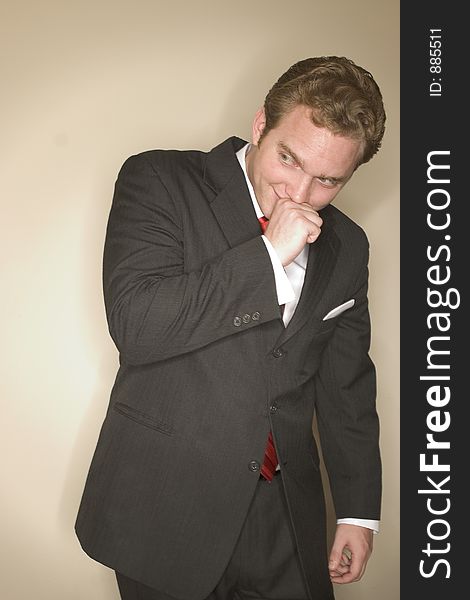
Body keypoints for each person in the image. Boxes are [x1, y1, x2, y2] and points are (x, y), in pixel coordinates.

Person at [75, 55, 386, 600]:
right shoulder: (159, 180)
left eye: (327, 181)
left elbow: (347, 389)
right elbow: (139, 325)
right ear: (261, 124)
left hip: (287, 517)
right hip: (167, 509)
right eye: (288, 159)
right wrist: (268, 255)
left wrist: (359, 513)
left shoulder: (349, 245)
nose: (299, 193)